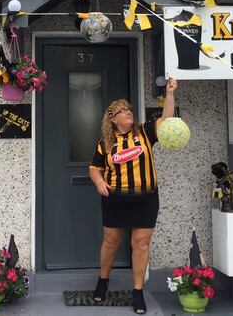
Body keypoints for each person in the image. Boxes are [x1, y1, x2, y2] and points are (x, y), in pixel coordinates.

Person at [88, 77, 178, 314]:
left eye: (129, 108)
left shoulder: (145, 131)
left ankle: (137, 292)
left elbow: (167, 121)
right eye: (122, 110)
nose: (128, 112)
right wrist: (98, 182)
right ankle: (103, 281)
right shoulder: (105, 143)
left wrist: (169, 93)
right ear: (112, 118)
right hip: (115, 200)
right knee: (111, 241)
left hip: (145, 199)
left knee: (140, 243)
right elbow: (94, 167)